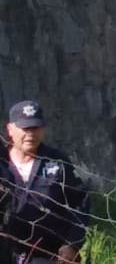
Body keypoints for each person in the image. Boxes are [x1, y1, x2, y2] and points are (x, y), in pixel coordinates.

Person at [0, 101, 90, 264]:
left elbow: (81, 204)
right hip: (6, 250)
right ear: (10, 129)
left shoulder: (58, 162)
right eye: (25, 128)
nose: (31, 134)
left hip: (48, 254)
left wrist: (72, 244)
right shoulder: (2, 164)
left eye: (35, 127)